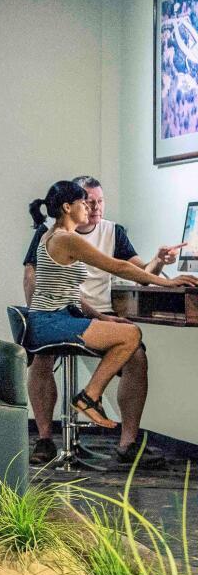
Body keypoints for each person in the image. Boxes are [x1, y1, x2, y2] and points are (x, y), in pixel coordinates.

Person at [23, 181, 198, 456]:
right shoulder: (66, 239)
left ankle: (119, 433)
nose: (90, 207)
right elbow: (118, 267)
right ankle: (89, 397)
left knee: (130, 339)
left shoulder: (55, 235)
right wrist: (168, 283)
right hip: (52, 322)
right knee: (132, 334)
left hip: (58, 317)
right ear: (68, 207)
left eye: (95, 202)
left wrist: (104, 318)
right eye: (84, 202)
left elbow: (70, 295)